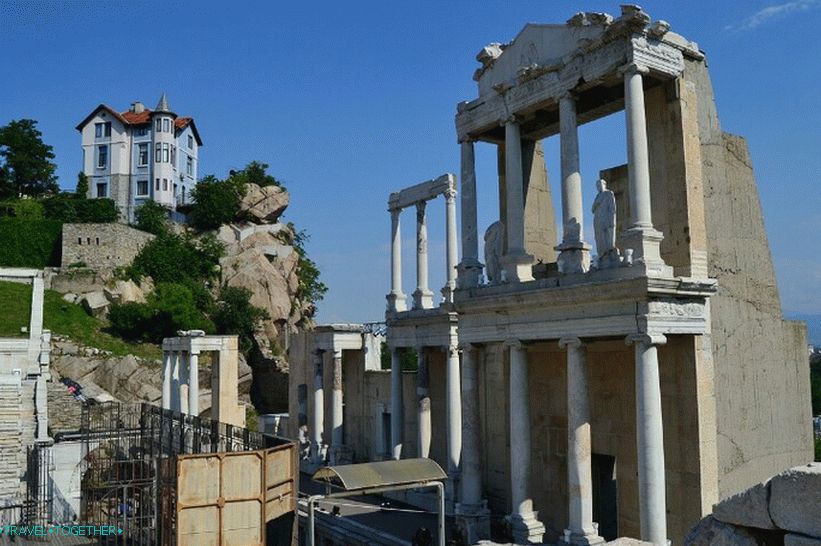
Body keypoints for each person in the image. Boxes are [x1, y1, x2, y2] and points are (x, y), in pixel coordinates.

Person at [592, 178, 618, 265]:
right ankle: (602, 254)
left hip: (606, 217)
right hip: (598, 218)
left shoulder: (608, 194)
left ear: (604, 185)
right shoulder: (597, 196)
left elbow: (612, 208)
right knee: (599, 236)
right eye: (597, 186)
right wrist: (597, 203)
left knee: (607, 235)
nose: (598, 187)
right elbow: (592, 209)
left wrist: (611, 219)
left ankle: (608, 251)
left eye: (600, 185)